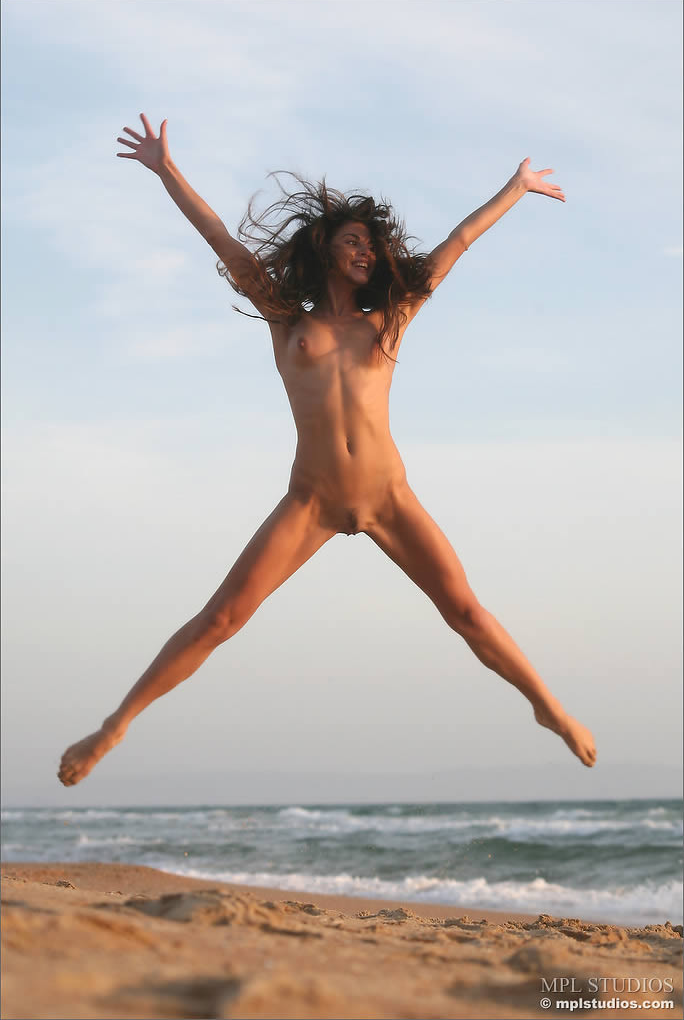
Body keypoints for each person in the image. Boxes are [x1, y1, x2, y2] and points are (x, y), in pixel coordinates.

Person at [58, 114, 596, 787]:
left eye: (372, 244)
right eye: (353, 241)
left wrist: (516, 187)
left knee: (465, 611)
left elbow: (456, 243)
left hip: (387, 496)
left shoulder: (390, 318)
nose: (366, 251)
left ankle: (549, 708)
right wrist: (167, 170)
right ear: (325, 250)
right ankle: (113, 727)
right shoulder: (287, 319)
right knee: (220, 618)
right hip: (312, 499)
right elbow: (221, 238)